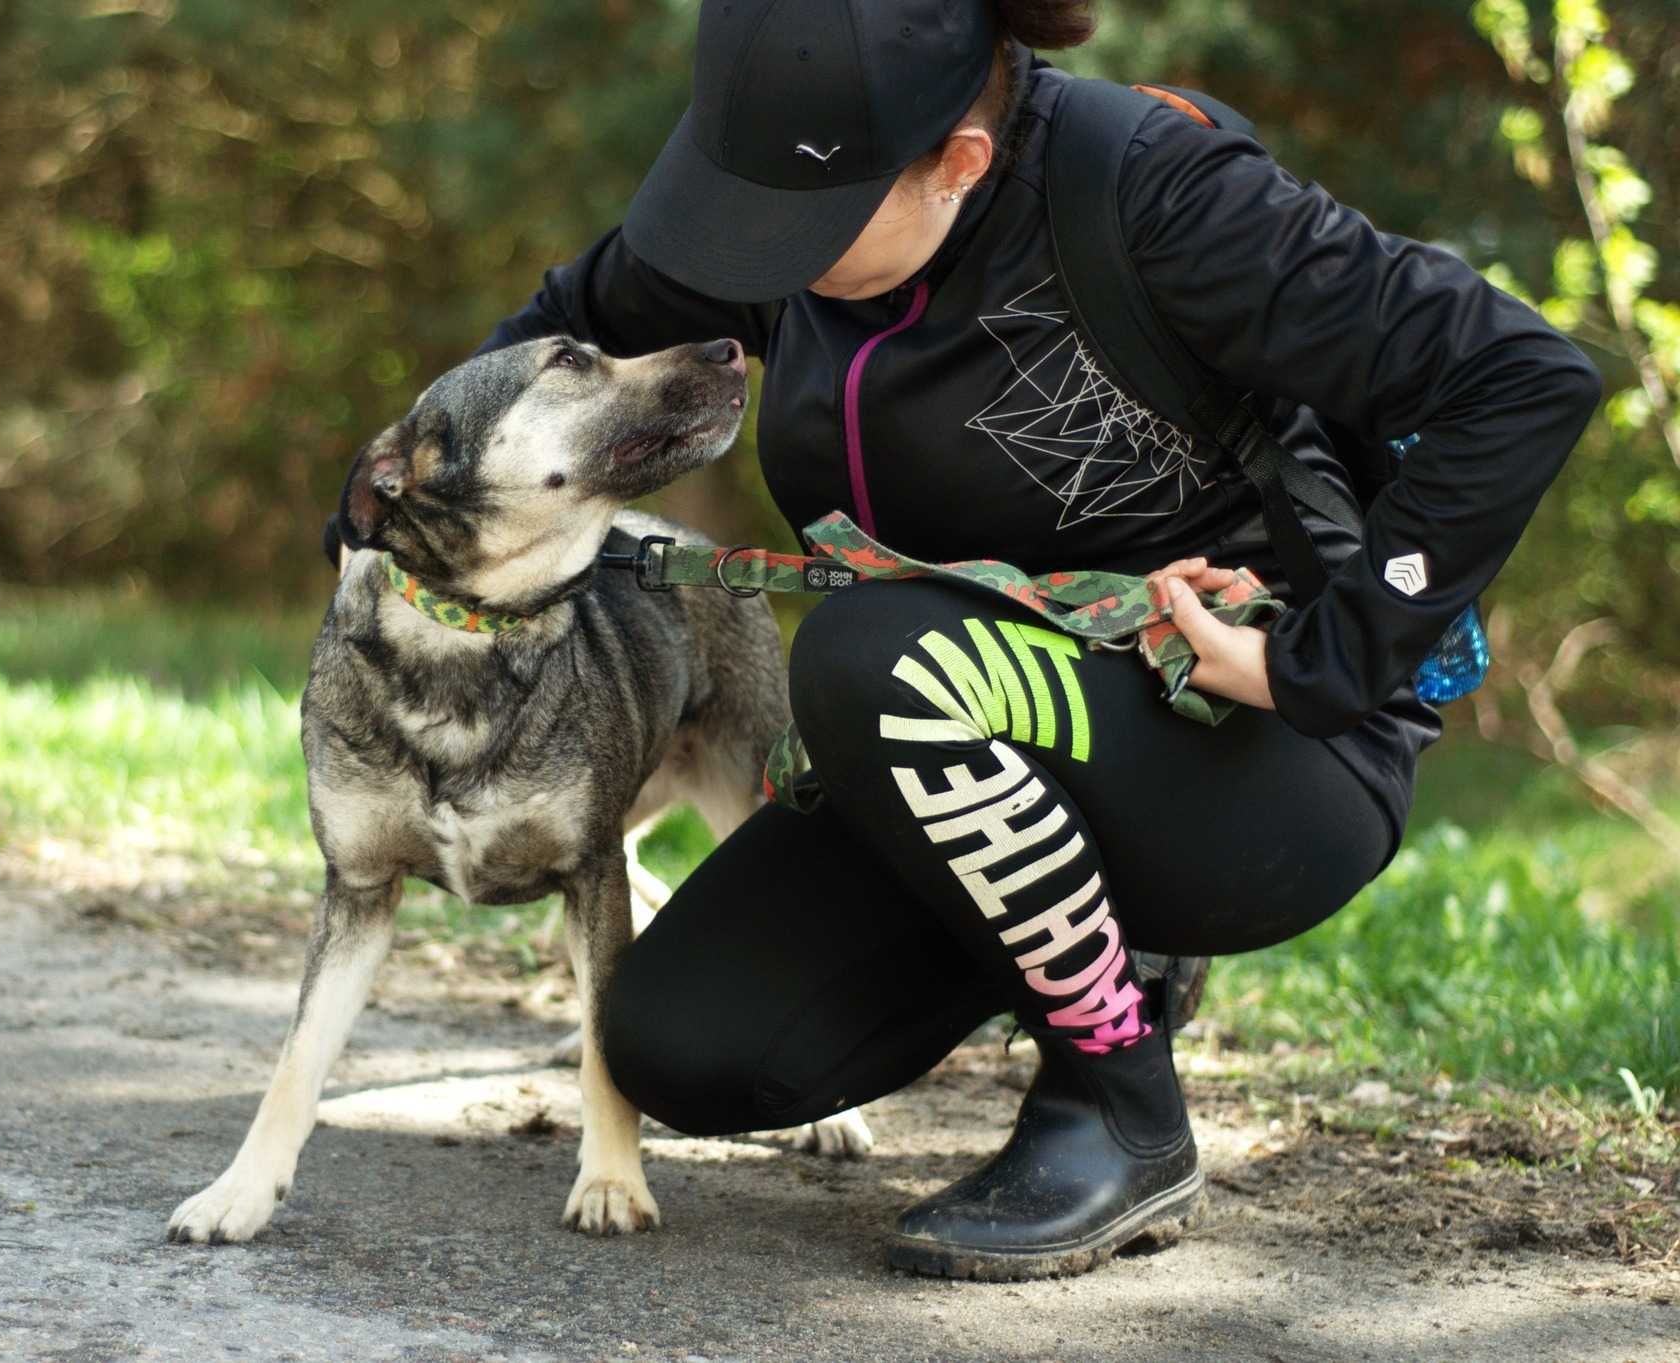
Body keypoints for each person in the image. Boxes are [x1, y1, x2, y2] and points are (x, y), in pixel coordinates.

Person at [468, 0, 1602, 1280]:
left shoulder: (1158, 193)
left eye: (803, 226)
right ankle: (1054, 925)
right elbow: (566, 325)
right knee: (682, 1044)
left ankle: (1115, 1098)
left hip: (1251, 754)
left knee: (868, 653)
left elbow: (1517, 375)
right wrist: (398, 494)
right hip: (961, 738)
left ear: (957, 159)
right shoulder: (781, 218)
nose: (757, 259)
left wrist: (1325, 654)